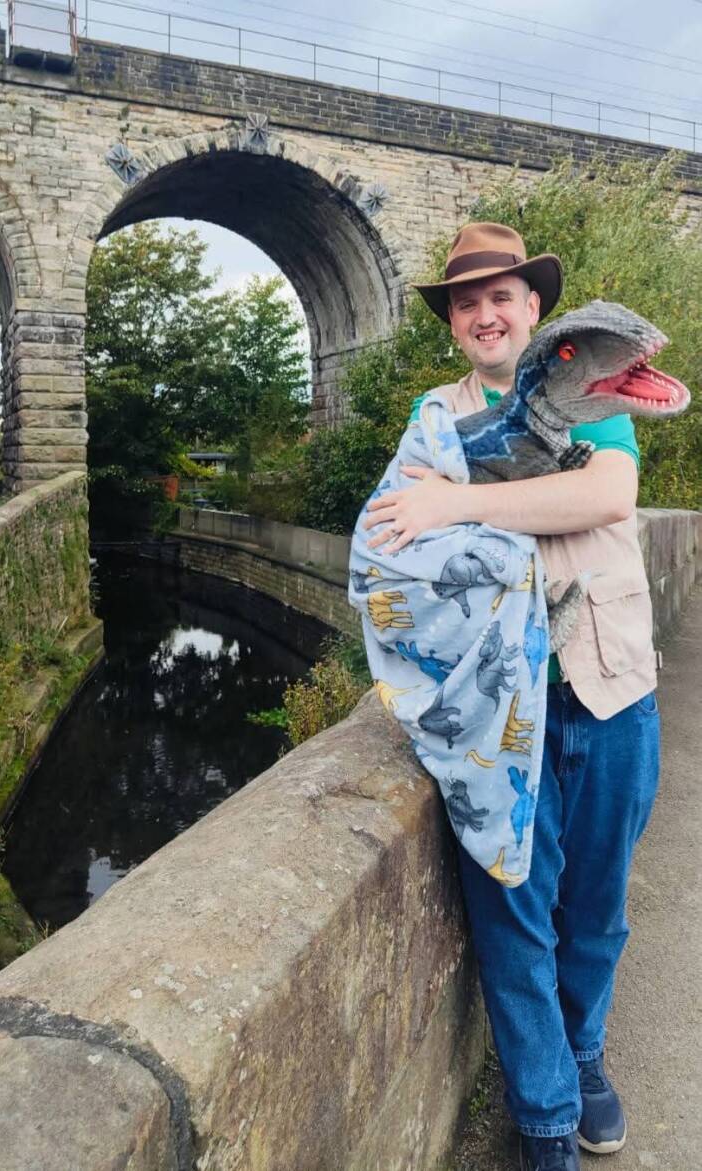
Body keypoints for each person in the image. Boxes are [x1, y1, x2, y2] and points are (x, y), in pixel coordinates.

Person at [363, 222, 660, 1171]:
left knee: (596, 907)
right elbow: (395, 543)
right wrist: (441, 516)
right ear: (453, 322)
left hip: (609, 684)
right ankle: (544, 1120)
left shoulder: (589, 385)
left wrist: (456, 502)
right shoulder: (432, 416)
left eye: (501, 297)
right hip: (496, 708)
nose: (485, 314)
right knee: (512, 915)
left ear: (534, 309)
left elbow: (604, 497)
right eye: (466, 302)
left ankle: (582, 1052)